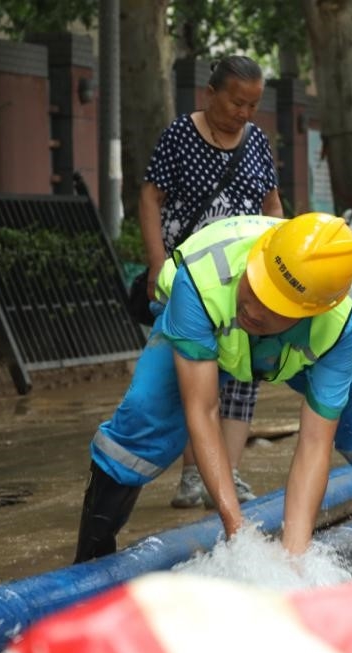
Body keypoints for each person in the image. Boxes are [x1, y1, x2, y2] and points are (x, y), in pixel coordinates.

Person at [75, 213, 352, 576]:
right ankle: (90, 561)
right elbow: (202, 412)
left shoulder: (340, 323)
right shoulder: (202, 278)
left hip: (287, 349)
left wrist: (294, 561)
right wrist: (237, 531)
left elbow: (315, 443)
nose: (252, 308)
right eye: (255, 286)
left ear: (311, 313)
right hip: (205, 326)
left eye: (273, 305)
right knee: (146, 412)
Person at [139, 55, 284, 510]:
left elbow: (272, 205)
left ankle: (229, 472)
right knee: (195, 370)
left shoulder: (256, 141)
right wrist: (156, 263)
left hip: (244, 282)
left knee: (245, 374)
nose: (244, 112)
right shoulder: (180, 135)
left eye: (252, 105)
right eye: (237, 102)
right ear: (211, 93)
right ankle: (193, 474)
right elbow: (150, 197)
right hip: (191, 281)